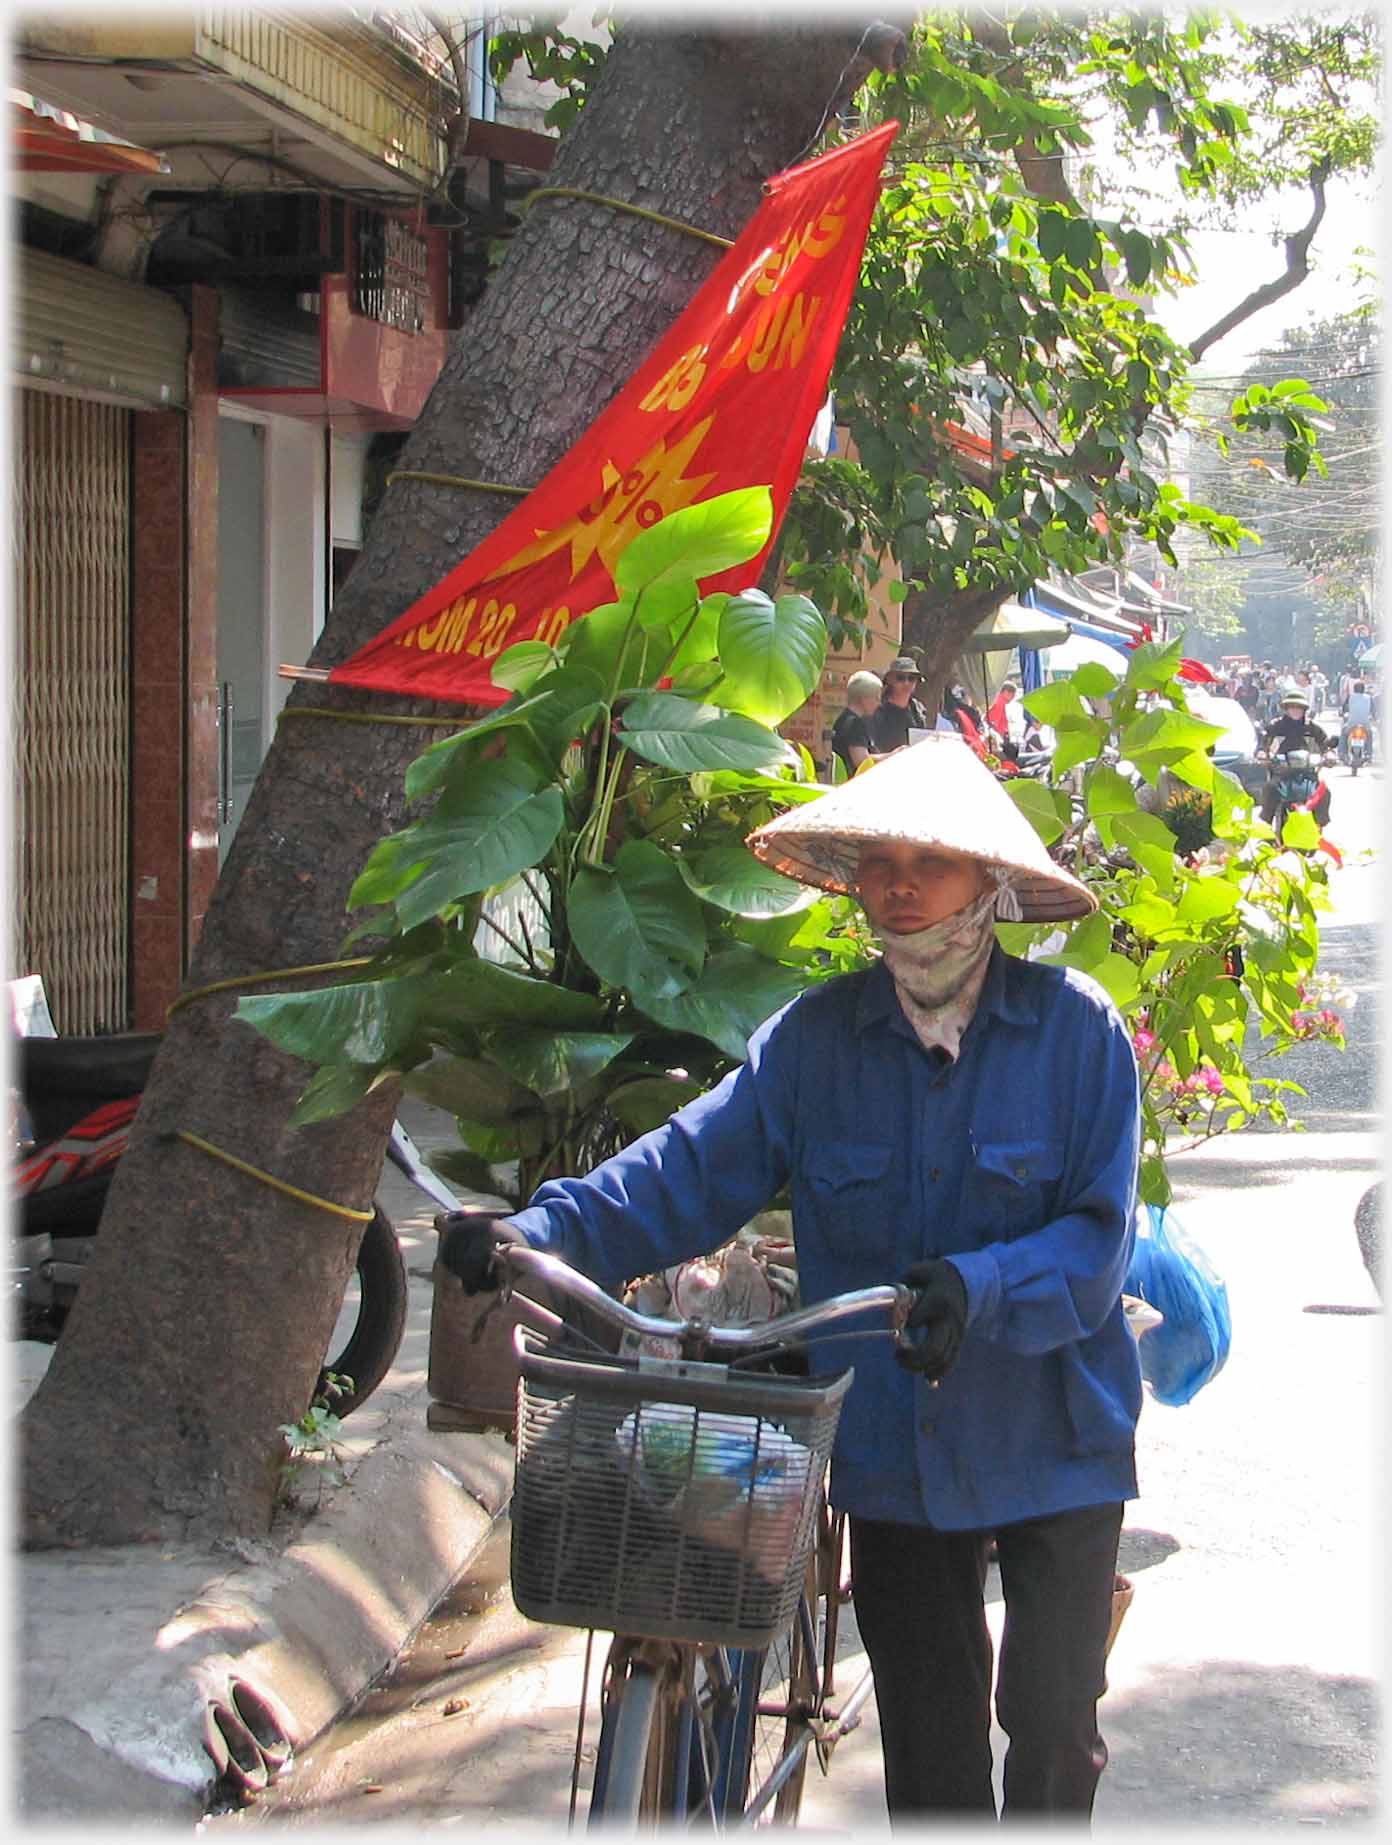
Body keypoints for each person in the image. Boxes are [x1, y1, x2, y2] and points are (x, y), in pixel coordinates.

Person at [439, 736, 1144, 1823]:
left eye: (932, 861)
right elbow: (685, 1168)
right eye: (879, 861)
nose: (899, 885)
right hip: (891, 1445)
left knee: (1053, 1728)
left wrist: (981, 1285)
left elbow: (1098, 1245)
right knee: (932, 1745)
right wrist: (534, 1227)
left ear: (991, 887)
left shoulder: (1078, 1035)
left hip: (1053, 1435)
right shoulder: (815, 1042)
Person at [1258, 688, 1331, 825]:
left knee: (1324, 792)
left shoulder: (1312, 727)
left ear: (1304, 709)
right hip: (1282, 772)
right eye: (1292, 707)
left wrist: (1329, 754)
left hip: (1308, 774)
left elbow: (1325, 744)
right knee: (1270, 789)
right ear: (1286, 708)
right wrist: (1262, 752)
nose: (1295, 710)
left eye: (1299, 707)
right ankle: (1266, 829)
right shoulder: (1277, 725)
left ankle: (1318, 826)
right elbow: (1264, 742)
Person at [869, 655, 932, 754]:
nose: (906, 683)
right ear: (889, 680)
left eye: (911, 678)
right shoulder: (877, 710)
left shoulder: (918, 711)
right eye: (900, 678)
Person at [830, 669, 884, 777]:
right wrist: (894, 756)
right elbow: (862, 761)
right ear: (863, 698)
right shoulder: (854, 724)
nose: (879, 704)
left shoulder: (844, 719)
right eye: (876, 698)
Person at [1340, 680, 1376, 761]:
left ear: (1354, 689)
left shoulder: (1350, 696)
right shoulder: (1369, 698)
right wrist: (1374, 718)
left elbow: (1344, 709)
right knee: (1370, 735)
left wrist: (1343, 714)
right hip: (1365, 725)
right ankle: (1369, 754)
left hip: (1351, 724)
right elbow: (1373, 711)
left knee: (1343, 733)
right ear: (1364, 689)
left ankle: (1342, 753)